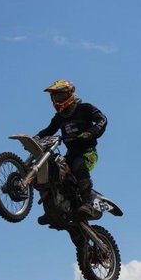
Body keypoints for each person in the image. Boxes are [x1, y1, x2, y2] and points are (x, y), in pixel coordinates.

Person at [35, 79, 107, 220]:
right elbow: (49, 130)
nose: (58, 100)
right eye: (55, 97)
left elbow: (102, 119)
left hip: (88, 152)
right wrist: (36, 138)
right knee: (51, 170)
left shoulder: (84, 108)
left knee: (78, 165)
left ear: (70, 94)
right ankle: (51, 209)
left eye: (61, 96)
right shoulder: (60, 117)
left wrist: (91, 132)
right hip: (70, 154)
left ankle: (88, 203)